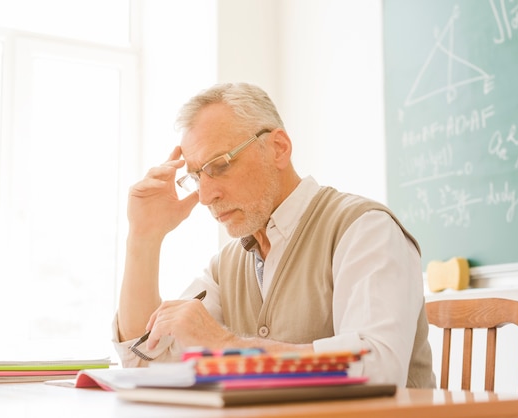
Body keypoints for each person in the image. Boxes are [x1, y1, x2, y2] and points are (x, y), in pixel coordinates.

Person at [112, 82, 435, 388]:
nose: (206, 195)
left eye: (219, 165)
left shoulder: (365, 229)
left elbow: (378, 367)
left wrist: (226, 345)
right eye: (196, 177)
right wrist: (143, 237)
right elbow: (146, 361)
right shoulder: (227, 265)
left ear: (278, 148)